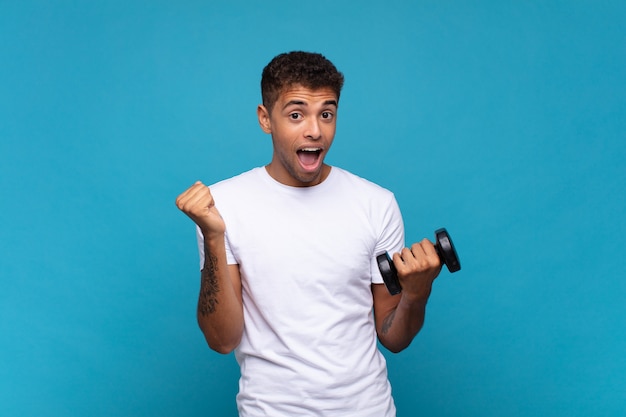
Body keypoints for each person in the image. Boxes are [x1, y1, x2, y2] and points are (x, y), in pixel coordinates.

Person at [175, 51, 442, 417]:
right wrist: (212, 236)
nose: (315, 130)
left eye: (326, 114)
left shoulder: (376, 203)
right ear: (265, 119)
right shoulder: (222, 206)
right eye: (296, 114)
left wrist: (417, 293)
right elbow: (222, 340)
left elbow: (393, 337)